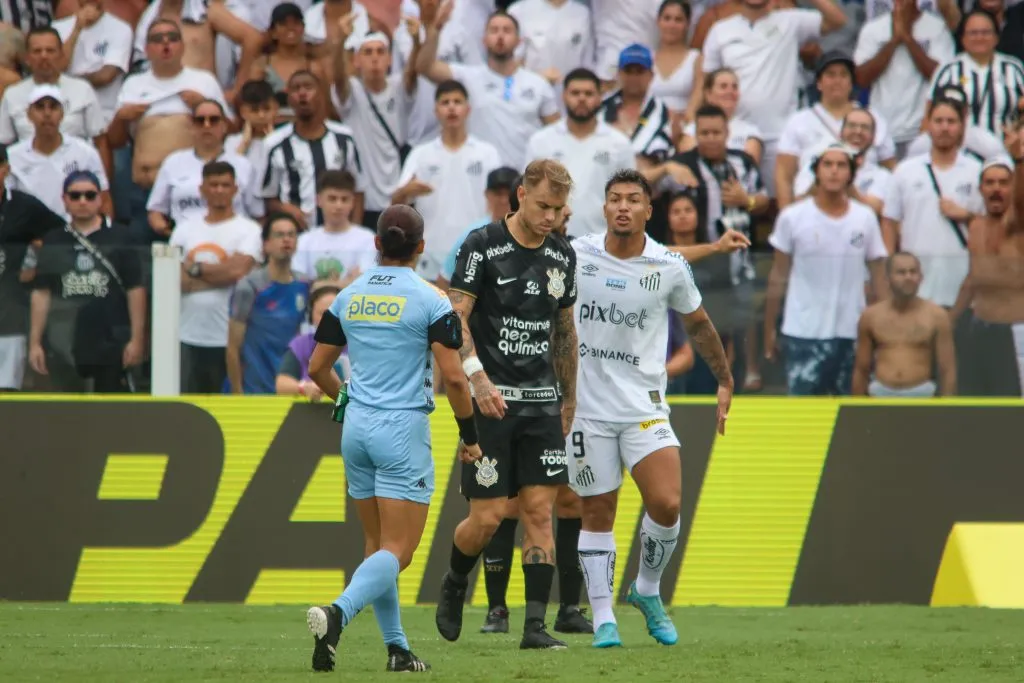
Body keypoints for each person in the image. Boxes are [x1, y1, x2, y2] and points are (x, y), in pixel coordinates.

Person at [304, 204, 482, 673]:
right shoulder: (430, 299)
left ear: (377, 243)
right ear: (421, 248)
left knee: (378, 546)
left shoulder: (348, 295)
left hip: (356, 428)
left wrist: (345, 401)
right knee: (399, 552)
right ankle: (337, 613)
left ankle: (398, 650)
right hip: (401, 429)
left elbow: (317, 368)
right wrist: (471, 435)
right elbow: (455, 379)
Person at [567, 168, 732, 649]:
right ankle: (603, 620)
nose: (623, 206)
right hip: (588, 409)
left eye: (633, 199)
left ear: (647, 210)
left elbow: (699, 325)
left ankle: (645, 590)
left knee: (667, 501)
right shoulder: (578, 256)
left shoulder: (669, 265)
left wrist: (724, 378)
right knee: (597, 510)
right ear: (604, 208)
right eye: (614, 198)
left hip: (644, 405)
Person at [436, 158, 579, 650]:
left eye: (559, 210)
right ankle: (455, 582)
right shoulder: (483, 245)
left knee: (541, 512)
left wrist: (570, 396)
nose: (551, 217)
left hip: (542, 404)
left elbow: (564, 331)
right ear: (520, 194)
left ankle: (535, 628)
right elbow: (457, 317)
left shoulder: (562, 255)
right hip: (493, 406)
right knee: (488, 518)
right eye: (543, 206)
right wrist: (476, 379)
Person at [764, 144, 888, 396]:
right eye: (827, 164)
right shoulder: (792, 217)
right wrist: (769, 329)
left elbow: (879, 279)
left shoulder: (865, 218)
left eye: (841, 165)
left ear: (851, 174)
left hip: (852, 332)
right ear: (816, 172)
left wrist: (884, 329)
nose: (834, 171)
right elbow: (779, 276)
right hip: (802, 331)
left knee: (851, 417)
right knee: (803, 418)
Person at [27, 170, 145, 393]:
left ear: (100, 199)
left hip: (110, 338)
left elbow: (135, 289)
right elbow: (42, 293)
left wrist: (136, 339)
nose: (83, 201)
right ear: (64, 200)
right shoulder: (53, 240)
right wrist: (35, 343)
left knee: (111, 411)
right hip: (64, 340)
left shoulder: (121, 236)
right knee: (67, 414)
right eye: (75, 196)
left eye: (90, 195)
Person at [416, 5, 561, 170]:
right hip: (482, 178)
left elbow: (558, 133)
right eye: (494, 30)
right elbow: (425, 67)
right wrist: (436, 28)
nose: (500, 36)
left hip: (525, 179)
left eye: (506, 31)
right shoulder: (468, 77)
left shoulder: (538, 84)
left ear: (519, 41)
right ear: (484, 40)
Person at [882, 94, 983, 310]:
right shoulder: (905, 171)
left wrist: (966, 215)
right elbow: (889, 222)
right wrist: (890, 269)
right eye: (938, 121)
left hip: (960, 284)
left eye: (951, 121)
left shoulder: (976, 171)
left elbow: (989, 225)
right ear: (928, 125)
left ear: (961, 126)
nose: (944, 128)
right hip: (914, 283)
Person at [169, 161, 262, 393]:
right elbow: (174, 279)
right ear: (202, 189)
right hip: (188, 333)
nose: (219, 190)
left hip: (230, 336)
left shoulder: (249, 229)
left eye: (225, 185)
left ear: (235, 189)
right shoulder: (184, 229)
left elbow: (238, 272)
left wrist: (195, 269)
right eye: (213, 185)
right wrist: (223, 272)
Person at [525, 68, 636, 238]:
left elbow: (631, 198)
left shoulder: (619, 144)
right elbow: (527, 195)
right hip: (548, 240)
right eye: (575, 93)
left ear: (600, 97)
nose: (582, 98)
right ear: (563, 96)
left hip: (602, 243)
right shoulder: (540, 141)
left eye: (589, 93)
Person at [952, 152, 1024, 395]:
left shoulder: (1018, 227)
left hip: (1015, 331)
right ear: (980, 188)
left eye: (1004, 183)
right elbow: (974, 277)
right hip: (980, 328)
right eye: (990, 183)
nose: (996, 189)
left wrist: (1020, 160)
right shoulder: (976, 226)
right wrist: (951, 319)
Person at [261, 70, 365, 229]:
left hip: (338, 233)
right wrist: (285, 208)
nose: (302, 93)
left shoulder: (344, 138)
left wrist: (354, 230)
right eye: (296, 88)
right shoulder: (274, 143)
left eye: (308, 87)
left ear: (321, 94)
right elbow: (267, 197)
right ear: (289, 98)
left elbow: (358, 189)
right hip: (296, 237)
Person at [853, 0, 954, 159]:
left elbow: (942, 77)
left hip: (921, 132)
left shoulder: (937, 28)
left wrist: (908, 39)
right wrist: (894, 40)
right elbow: (861, 78)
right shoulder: (873, 29)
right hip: (882, 131)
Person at [147, 99, 260, 239]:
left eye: (214, 120)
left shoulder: (243, 166)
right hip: (185, 241)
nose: (207, 125)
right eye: (200, 121)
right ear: (192, 126)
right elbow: (156, 211)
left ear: (224, 126)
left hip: (232, 240)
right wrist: (169, 232)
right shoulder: (173, 162)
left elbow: (258, 213)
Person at [227, 212, 309, 394]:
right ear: (266, 244)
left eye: (291, 235)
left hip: (288, 383)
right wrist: (237, 392)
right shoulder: (249, 287)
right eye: (279, 235)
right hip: (254, 385)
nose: (286, 240)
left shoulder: (303, 285)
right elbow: (233, 346)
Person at [853, 251, 956, 397]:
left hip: (921, 393)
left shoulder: (937, 316)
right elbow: (861, 369)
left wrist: (946, 410)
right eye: (901, 272)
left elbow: (947, 370)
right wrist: (858, 408)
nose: (908, 277)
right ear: (887, 279)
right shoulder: (871, 316)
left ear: (921, 278)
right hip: (881, 392)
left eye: (913, 272)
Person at [928, 9, 1024, 136]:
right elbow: (929, 114)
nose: (980, 37)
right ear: (962, 38)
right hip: (960, 151)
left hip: (1005, 151)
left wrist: (1018, 136)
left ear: (996, 37)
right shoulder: (948, 70)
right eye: (973, 33)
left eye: (986, 32)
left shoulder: (1014, 68)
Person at [436, 167, 519, 291]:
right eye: (498, 194)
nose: (504, 200)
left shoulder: (535, 234)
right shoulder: (473, 235)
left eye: (508, 194)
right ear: (487, 194)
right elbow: (444, 279)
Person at [293, 170, 377, 289]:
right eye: (332, 199)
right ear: (319, 200)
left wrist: (316, 284)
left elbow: (365, 286)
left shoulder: (368, 240)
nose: (339, 206)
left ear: (352, 202)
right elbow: (299, 286)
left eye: (344, 199)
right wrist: (347, 282)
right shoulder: (304, 241)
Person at [275, 284, 346, 399]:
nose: (330, 320)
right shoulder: (301, 344)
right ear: (310, 316)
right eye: (323, 314)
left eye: (336, 313)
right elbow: (281, 384)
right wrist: (303, 387)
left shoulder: (359, 344)